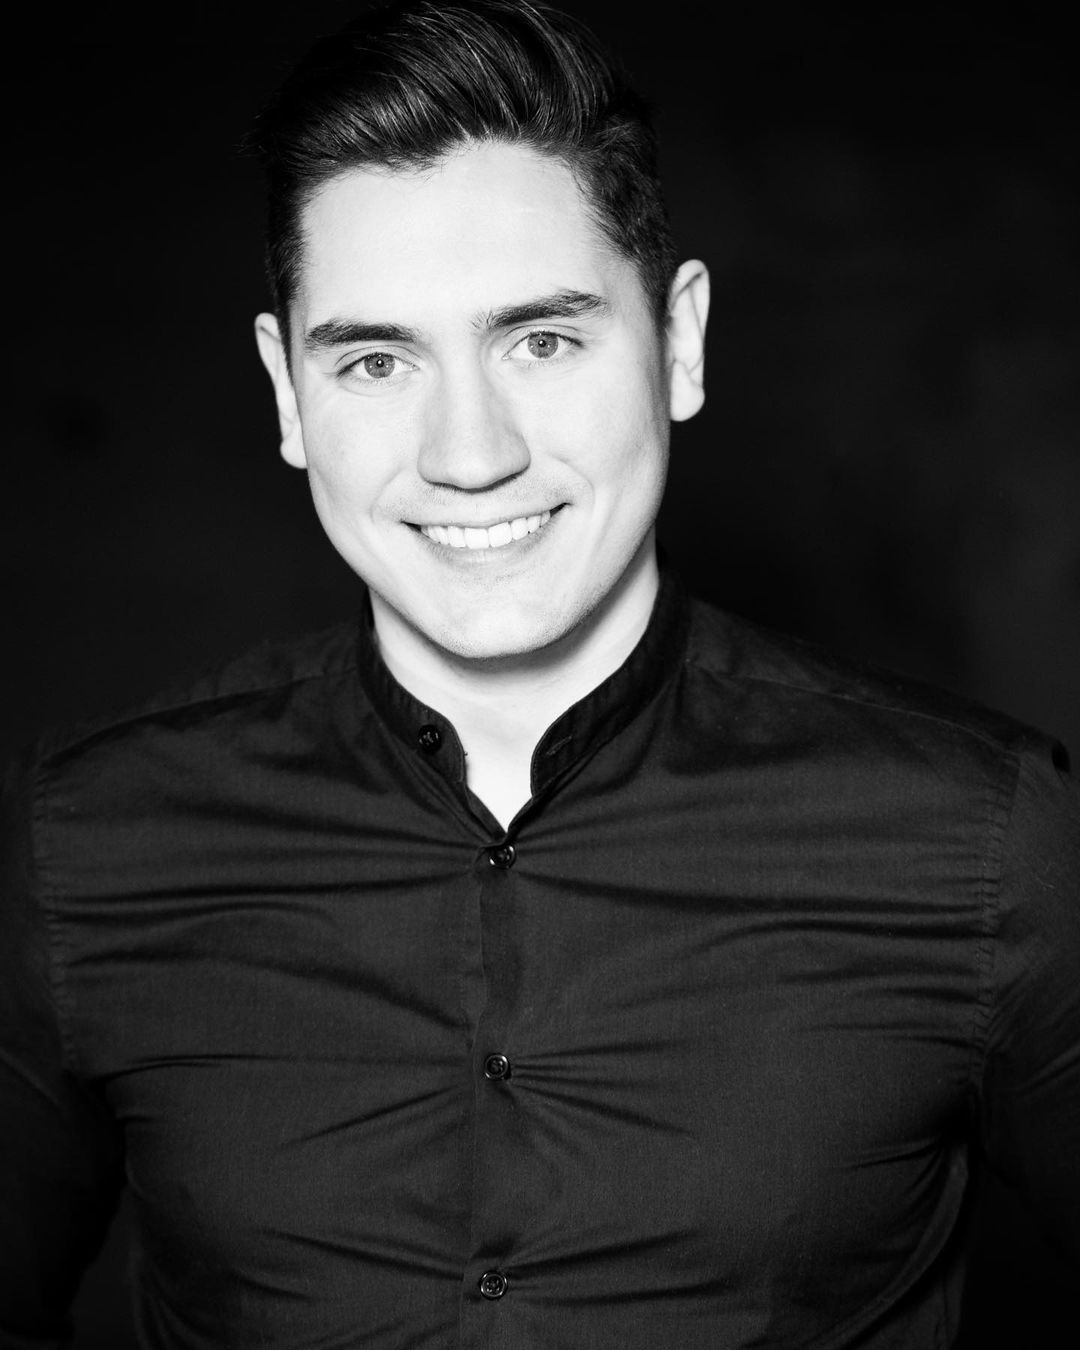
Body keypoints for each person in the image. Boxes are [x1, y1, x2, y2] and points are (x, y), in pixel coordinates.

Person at [1, 1, 1077, 1346]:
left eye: (543, 341)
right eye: (377, 359)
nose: (470, 453)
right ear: (287, 392)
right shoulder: (85, 840)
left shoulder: (985, 838)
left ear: (679, 342)